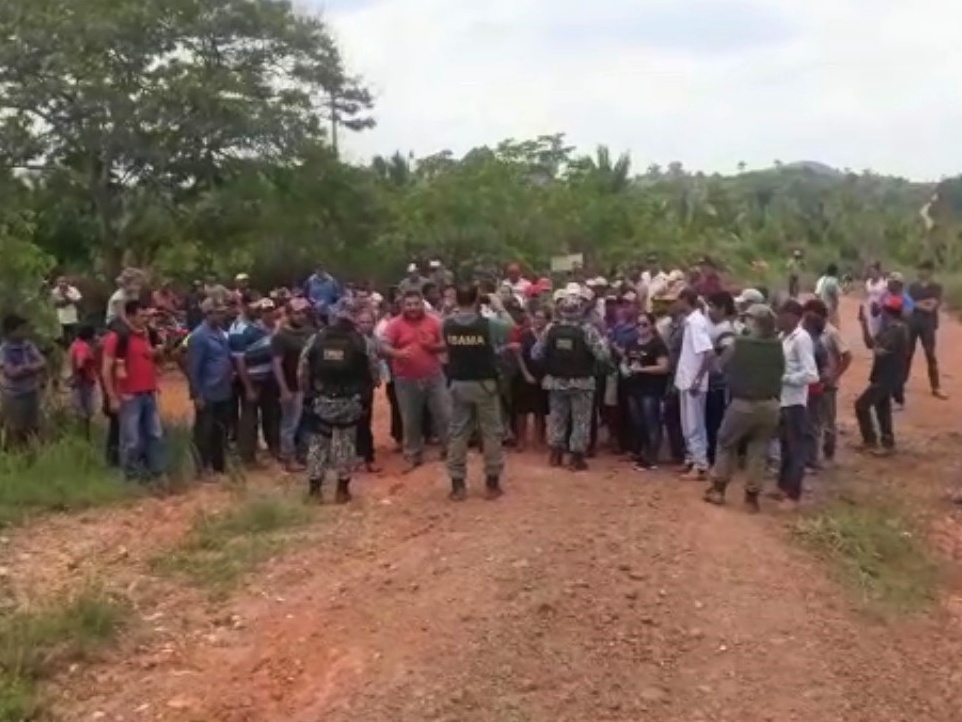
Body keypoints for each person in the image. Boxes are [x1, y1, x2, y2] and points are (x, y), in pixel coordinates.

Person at [703, 304, 785, 512]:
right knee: (759, 449)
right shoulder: (777, 345)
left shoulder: (739, 344)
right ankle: (751, 498)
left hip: (743, 403)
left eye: (748, 319)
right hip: (770, 404)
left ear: (754, 322)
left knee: (725, 441)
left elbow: (719, 367)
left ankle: (718, 489)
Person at [298, 299, 378, 502]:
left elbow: (303, 369)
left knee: (318, 443)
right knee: (345, 443)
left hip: (322, 399)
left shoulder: (317, 339)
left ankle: (315, 491)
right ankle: (342, 490)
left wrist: (308, 394)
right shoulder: (362, 341)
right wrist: (366, 394)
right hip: (349, 401)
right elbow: (374, 372)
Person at [444, 284, 514, 500]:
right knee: (491, 432)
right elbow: (511, 326)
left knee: (458, 433)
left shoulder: (447, 324)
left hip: (458, 384)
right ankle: (492, 483)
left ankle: (457, 484)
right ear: (476, 301)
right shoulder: (487, 325)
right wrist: (499, 305)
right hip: (484, 385)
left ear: (457, 300)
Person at [532, 288, 610, 471]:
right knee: (580, 420)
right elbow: (603, 356)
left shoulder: (551, 329)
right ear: (579, 310)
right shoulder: (586, 330)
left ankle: (556, 454)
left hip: (556, 381)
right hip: (581, 382)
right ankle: (576, 457)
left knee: (557, 418)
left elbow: (536, 354)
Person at [381, 289, 450, 472]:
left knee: (444, 414)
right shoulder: (394, 324)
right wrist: (397, 353)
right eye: (408, 304)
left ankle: (450, 450)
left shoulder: (435, 322)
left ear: (422, 304)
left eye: (416, 304)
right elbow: (384, 346)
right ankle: (413, 454)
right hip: (406, 379)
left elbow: (446, 344)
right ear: (402, 306)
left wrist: (432, 346)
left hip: (434, 377)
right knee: (411, 419)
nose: (412, 307)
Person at [102, 300, 165, 481]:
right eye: (141, 316)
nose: (145, 320)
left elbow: (150, 358)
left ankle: (156, 472)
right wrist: (112, 396)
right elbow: (106, 369)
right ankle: (131, 475)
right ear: (130, 316)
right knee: (131, 439)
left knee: (155, 434)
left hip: (148, 392)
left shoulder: (145, 335)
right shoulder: (117, 338)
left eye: (146, 316)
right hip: (129, 395)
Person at [773, 300, 818, 509]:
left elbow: (811, 374)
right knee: (785, 447)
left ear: (792, 316)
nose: (778, 319)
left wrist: (784, 378)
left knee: (796, 448)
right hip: (782, 401)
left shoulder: (801, 339)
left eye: (781, 314)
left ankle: (793, 494)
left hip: (795, 402)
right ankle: (782, 487)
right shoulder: (782, 337)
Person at [855, 296, 908, 455]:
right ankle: (887, 443)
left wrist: (877, 349)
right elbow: (870, 344)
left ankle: (870, 440)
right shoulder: (889, 328)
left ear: (887, 311)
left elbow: (883, 351)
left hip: (887, 376)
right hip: (882, 375)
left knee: (861, 405)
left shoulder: (897, 330)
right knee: (881, 408)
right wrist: (864, 324)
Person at [230, 298, 280, 466]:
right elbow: (239, 361)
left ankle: (273, 448)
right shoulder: (240, 329)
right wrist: (248, 387)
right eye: (255, 306)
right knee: (249, 417)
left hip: (267, 378)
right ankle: (247, 456)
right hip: (251, 380)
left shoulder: (258, 326)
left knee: (271, 414)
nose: (258, 310)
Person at [186, 299, 233, 476]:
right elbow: (193, 368)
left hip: (223, 390)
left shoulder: (221, 333)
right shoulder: (199, 336)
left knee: (220, 430)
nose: (222, 315)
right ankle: (201, 467)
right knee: (203, 431)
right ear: (208, 314)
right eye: (218, 312)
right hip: (207, 391)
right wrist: (196, 394)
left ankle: (218, 465)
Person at [619, 312, 670, 470]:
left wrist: (642, 370)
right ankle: (642, 452)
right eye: (638, 324)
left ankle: (652, 456)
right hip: (634, 388)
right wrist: (624, 369)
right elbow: (625, 360)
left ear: (652, 326)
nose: (641, 328)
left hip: (651, 389)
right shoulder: (632, 343)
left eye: (645, 324)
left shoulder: (657, 345)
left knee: (651, 422)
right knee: (638, 423)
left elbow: (664, 367)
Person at [674, 287, 714, 480]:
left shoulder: (696, 323)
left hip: (693, 380)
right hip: (686, 378)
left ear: (685, 300)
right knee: (686, 422)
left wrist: (698, 378)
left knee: (694, 424)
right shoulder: (690, 322)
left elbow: (708, 353)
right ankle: (691, 458)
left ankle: (701, 464)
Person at [272, 298, 314, 472]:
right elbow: (276, 363)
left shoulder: (310, 332)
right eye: (297, 313)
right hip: (291, 386)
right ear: (288, 314)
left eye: (304, 312)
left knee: (307, 422)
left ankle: (304, 454)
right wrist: (283, 389)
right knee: (290, 423)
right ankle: (288, 457)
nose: (301, 316)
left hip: (307, 386)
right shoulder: (281, 336)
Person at [0, 314, 46, 450]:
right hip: (14, 396)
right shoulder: (4, 350)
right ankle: (13, 457)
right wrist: (31, 368)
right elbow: (10, 373)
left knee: (32, 427)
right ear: (10, 331)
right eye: (21, 329)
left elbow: (42, 362)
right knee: (15, 429)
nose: (25, 332)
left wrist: (24, 369)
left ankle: (28, 457)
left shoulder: (28, 345)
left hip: (31, 391)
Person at [511, 307, 550, 452]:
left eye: (541, 317)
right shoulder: (525, 334)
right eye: (536, 317)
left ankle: (539, 440)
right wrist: (526, 373)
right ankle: (521, 440)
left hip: (543, 376)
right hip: (525, 375)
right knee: (522, 410)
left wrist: (548, 374)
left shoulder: (549, 336)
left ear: (547, 320)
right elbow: (518, 355)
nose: (538, 320)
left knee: (541, 410)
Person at [906, 260, 947, 399]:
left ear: (930, 271)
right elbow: (907, 305)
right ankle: (901, 384)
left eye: (924, 269)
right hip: (912, 323)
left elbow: (931, 307)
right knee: (907, 354)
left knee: (930, 355)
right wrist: (923, 303)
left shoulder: (936, 287)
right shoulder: (913, 286)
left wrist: (916, 304)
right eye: (920, 269)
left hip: (928, 324)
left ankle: (936, 387)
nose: (921, 272)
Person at [705, 291, 737, 465]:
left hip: (719, 383)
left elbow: (727, 354)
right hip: (717, 382)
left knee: (715, 421)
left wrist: (716, 369)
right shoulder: (721, 327)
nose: (709, 311)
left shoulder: (724, 329)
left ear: (723, 309)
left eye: (712, 307)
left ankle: (715, 457)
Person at [68, 324, 99, 437]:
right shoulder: (83, 347)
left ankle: (82, 436)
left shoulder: (75, 344)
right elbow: (80, 363)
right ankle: (85, 437)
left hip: (78, 381)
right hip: (84, 382)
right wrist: (83, 376)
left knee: (80, 411)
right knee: (85, 411)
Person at [51, 276, 83, 346]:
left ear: (67, 282)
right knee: (65, 340)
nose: (62, 284)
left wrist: (65, 295)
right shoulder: (54, 292)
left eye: (63, 282)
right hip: (61, 319)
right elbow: (58, 304)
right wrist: (70, 300)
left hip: (73, 318)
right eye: (60, 282)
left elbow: (79, 302)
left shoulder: (73, 290)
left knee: (76, 338)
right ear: (57, 283)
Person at [814, 263, 842, 328]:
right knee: (830, 325)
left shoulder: (823, 279)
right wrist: (836, 305)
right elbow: (834, 296)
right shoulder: (833, 281)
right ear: (835, 272)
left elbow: (817, 293)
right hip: (829, 306)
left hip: (821, 304)